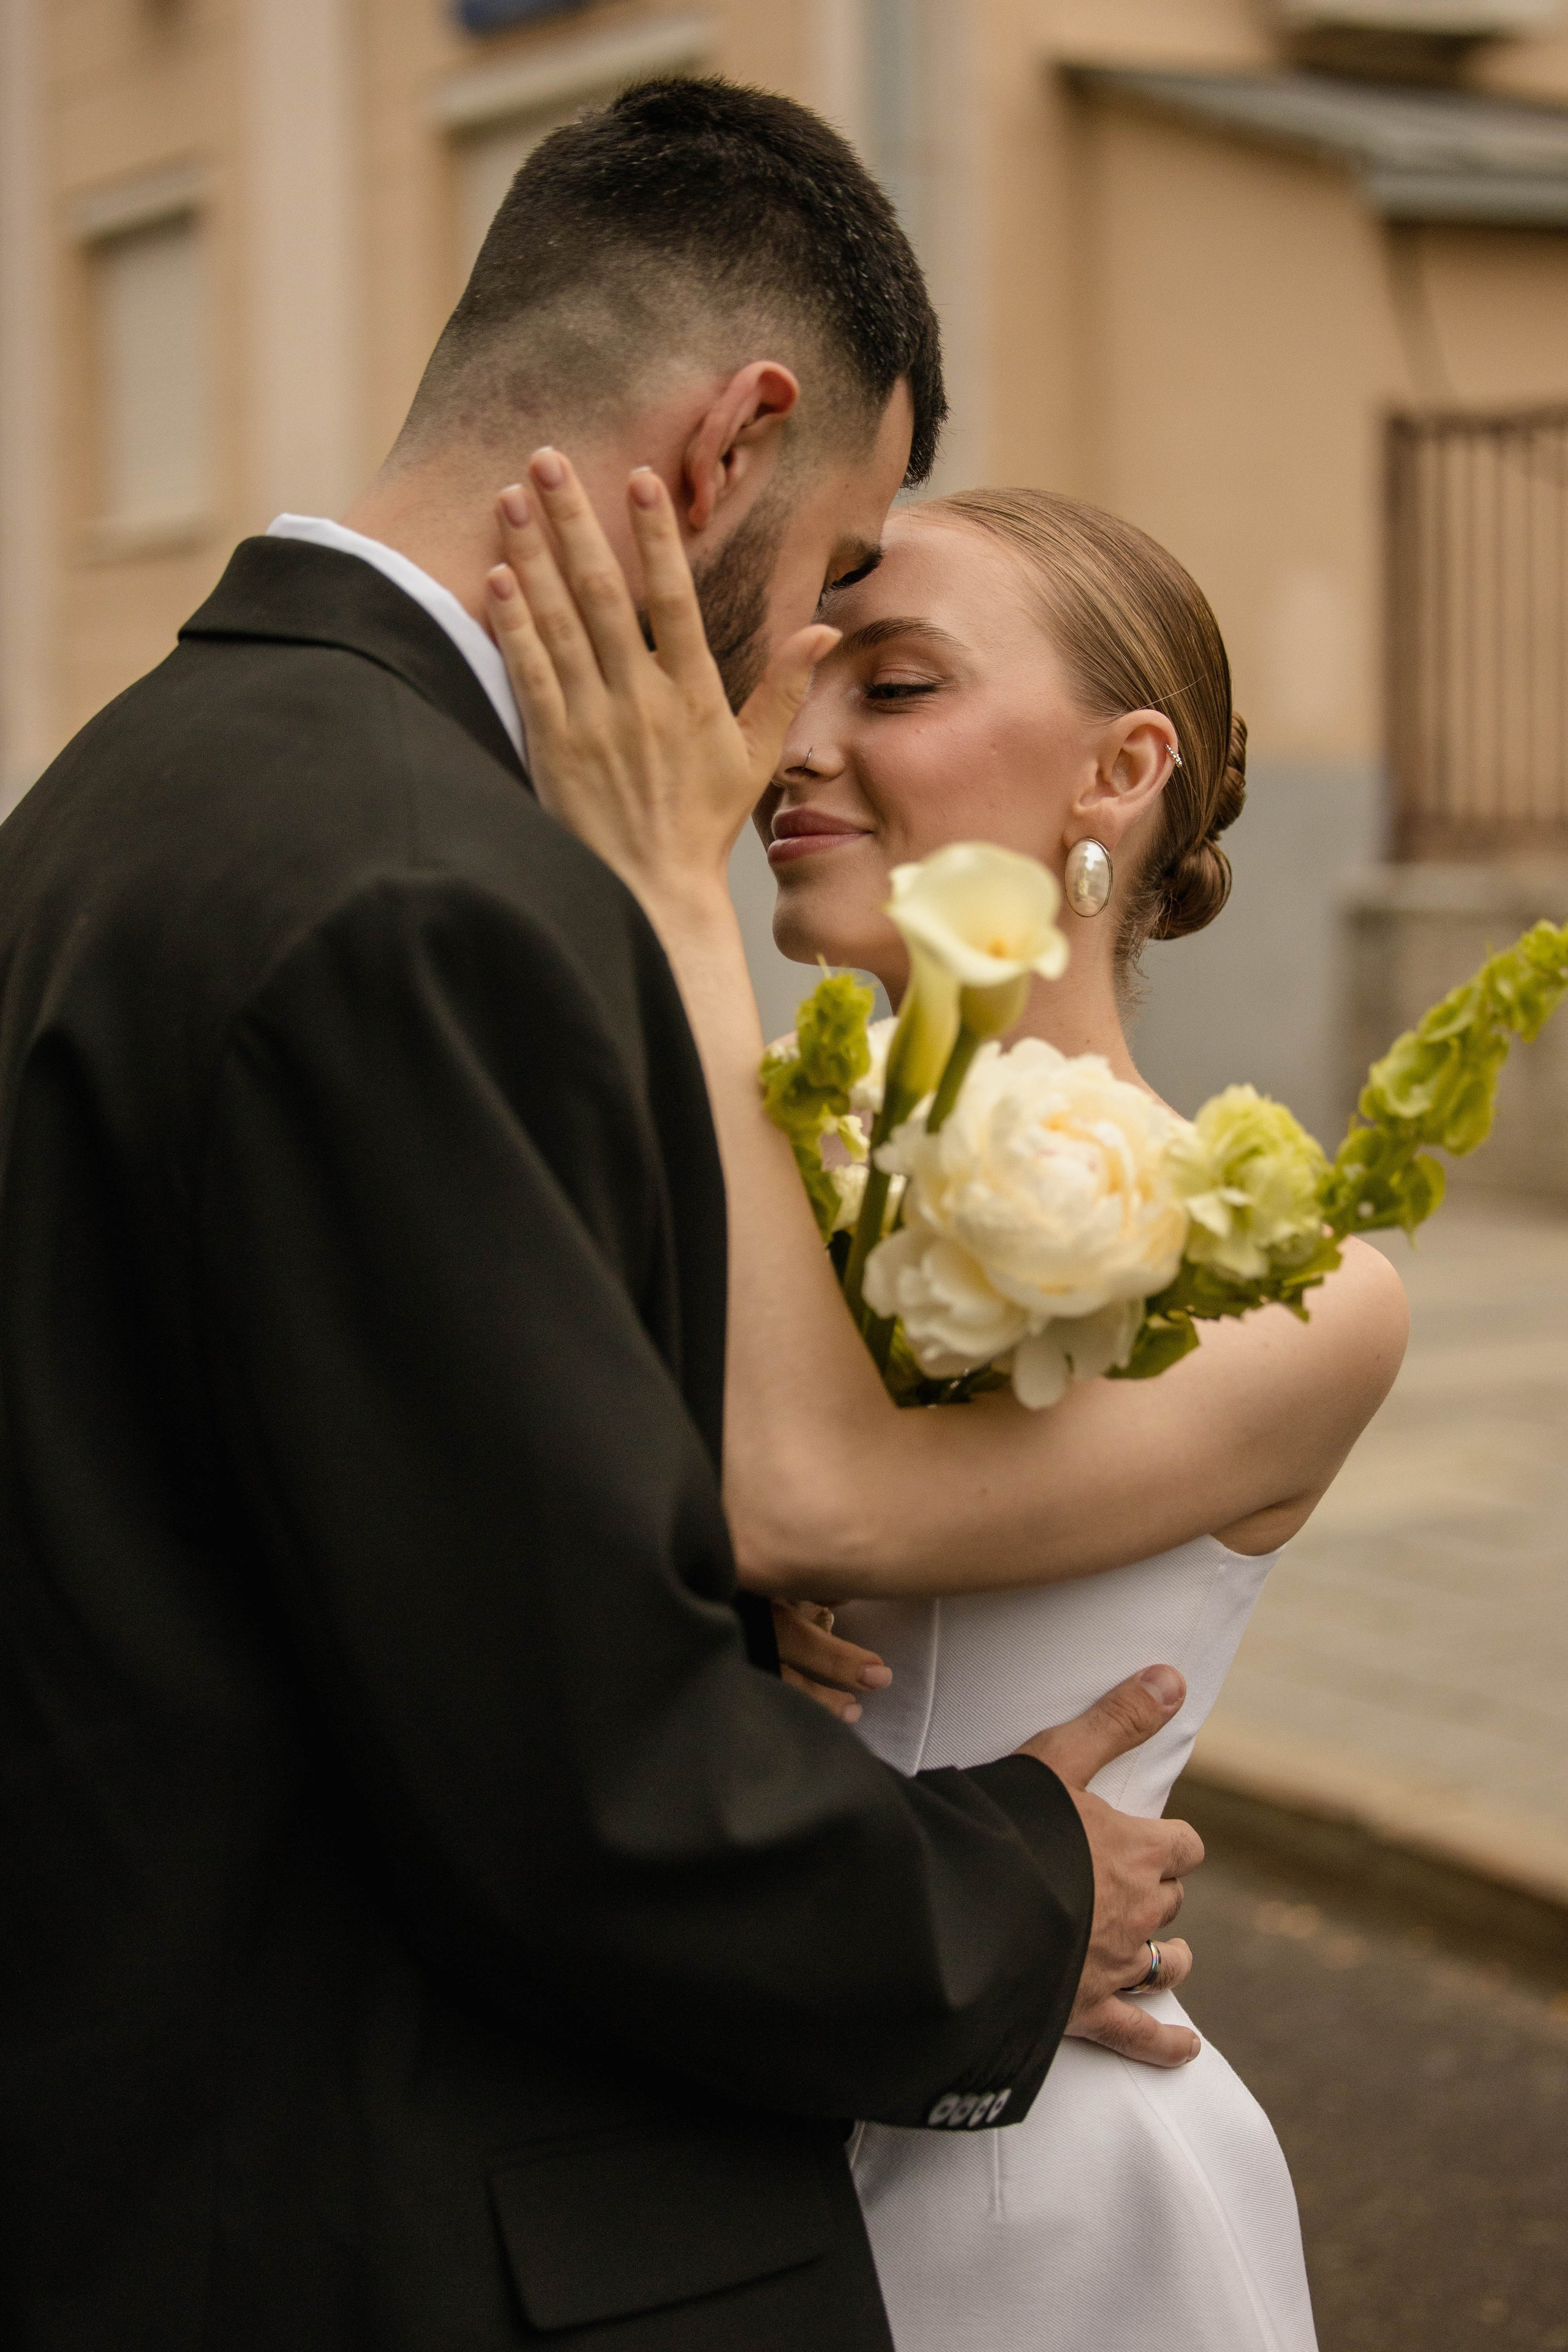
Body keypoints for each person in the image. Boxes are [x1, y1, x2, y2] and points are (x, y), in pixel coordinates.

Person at [0, 81, 1204, 2352]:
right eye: (840, 568)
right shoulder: (429, 898)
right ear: (731, 450)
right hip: (389, 2223)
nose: (808, 682)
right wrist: (1028, 1893)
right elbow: (584, 1780)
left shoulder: (121, 794)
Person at [481, 462, 1411, 2350]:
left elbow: (803, 1496)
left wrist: (666, 885)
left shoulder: (1314, 1290)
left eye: (891, 687)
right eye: (797, 681)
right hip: (665, 2172)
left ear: (1118, 771)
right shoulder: (732, 1174)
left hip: (1036, 2216)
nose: (794, 750)